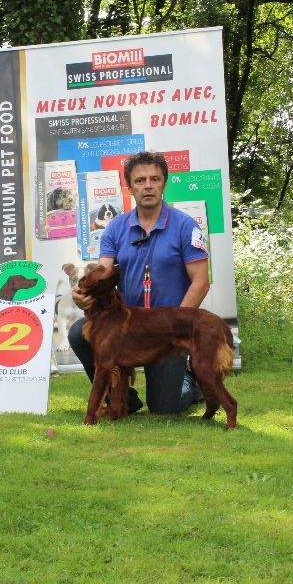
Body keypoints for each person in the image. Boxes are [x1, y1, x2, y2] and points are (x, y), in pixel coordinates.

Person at [67, 151, 211, 414]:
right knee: (79, 332)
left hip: (166, 328)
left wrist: (175, 326)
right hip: (125, 325)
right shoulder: (114, 228)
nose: (148, 186)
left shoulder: (186, 226)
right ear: (130, 187)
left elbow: (201, 283)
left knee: (165, 409)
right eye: (140, 180)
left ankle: (190, 382)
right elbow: (103, 273)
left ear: (164, 184)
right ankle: (122, 399)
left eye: (154, 179)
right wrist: (82, 296)